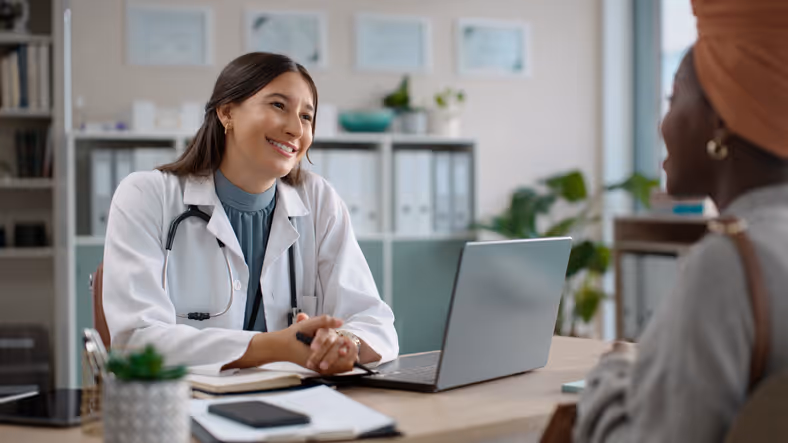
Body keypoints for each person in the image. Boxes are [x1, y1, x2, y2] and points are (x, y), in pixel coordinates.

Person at [102, 52, 398, 374]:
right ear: (227, 112)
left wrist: (343, 343)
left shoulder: (319, 199)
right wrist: (271, 348)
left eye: (307, 117)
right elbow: (136, 342)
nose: (295, 129)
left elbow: (375, 321)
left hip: (298, 402)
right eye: (278, 106)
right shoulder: (147, 196)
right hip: (183, 407)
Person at [574, 0, 788, 441]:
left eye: (674, 98)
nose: (663, 124)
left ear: (720, 122)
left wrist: (609, 375)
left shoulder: (732, 264)